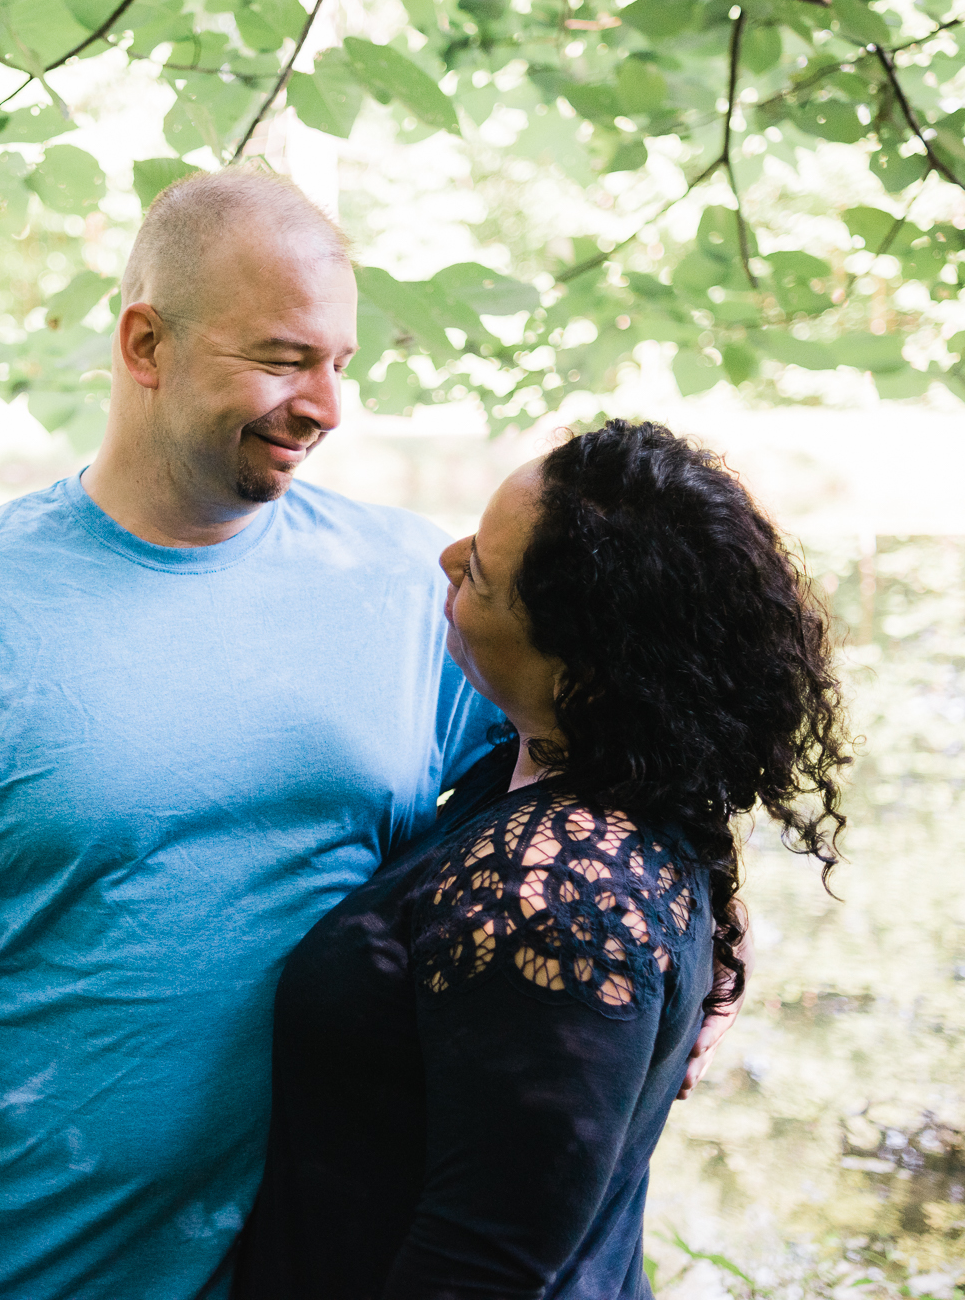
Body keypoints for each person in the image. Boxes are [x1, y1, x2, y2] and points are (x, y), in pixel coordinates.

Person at [0, 172, 734, 1300]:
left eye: (339, 362)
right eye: (281, 358)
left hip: (316, 1258)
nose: (324, 404)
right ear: (144, 345)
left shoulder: (405, 584)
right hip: (31, 1263)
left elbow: (607, 760)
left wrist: (708, 953)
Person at [234, 420, 850, 1300]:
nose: (446, 559)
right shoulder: (597, 779)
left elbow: (482, 1269)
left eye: (480, 571)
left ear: (583, 674)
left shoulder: (555, 892)